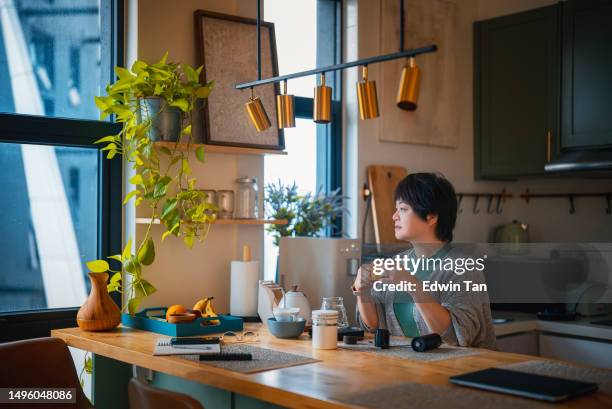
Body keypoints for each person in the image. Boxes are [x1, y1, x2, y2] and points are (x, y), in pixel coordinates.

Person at [353, 173, 496, 349]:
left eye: (403, 209)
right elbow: (373, 326)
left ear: (431, 217)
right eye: (396, 209)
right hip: (408, 369)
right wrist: (363, 291)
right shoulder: (396, 263)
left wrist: (412, 285)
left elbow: (458, 337)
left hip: (461, 372)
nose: (394, 216)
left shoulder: (463, 268)